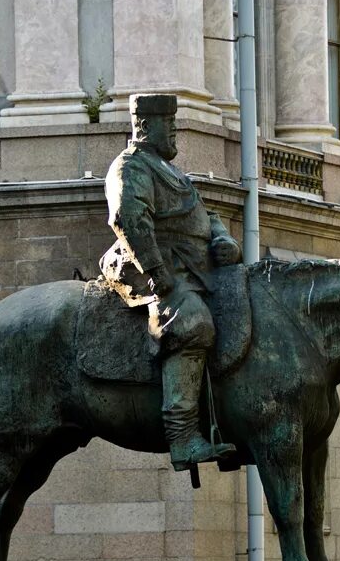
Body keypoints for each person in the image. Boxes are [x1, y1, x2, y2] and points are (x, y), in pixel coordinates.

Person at [100, 93, 239, 470]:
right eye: (170, 124)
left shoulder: (172, 171)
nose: (176, 132)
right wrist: (159, 275)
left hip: (197, 268)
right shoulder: (130, 167)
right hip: (154, 270)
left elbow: (205, 216)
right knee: (191, 323)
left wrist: (223, 239)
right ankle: (182, 438)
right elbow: (129, 218)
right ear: (144, 126)